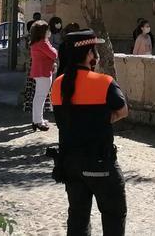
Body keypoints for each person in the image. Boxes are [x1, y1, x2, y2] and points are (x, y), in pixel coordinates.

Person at [51, 29, 129, 235]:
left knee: (77, 217)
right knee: (114, 215)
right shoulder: (104, 82)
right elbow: (122, 110)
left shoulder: (57, 84)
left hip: (70, 163)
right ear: (88, 54)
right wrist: (101, 119)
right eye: (94, 50)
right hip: (100, 161)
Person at [29, 20, 58, 131]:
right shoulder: (43, 42)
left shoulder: (37, 42)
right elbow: (54, 54)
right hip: (43, 72)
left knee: (38, 97)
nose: (49, 31)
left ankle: (37, 119)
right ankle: (38, 121)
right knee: (40, 97)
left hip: (40, 71)